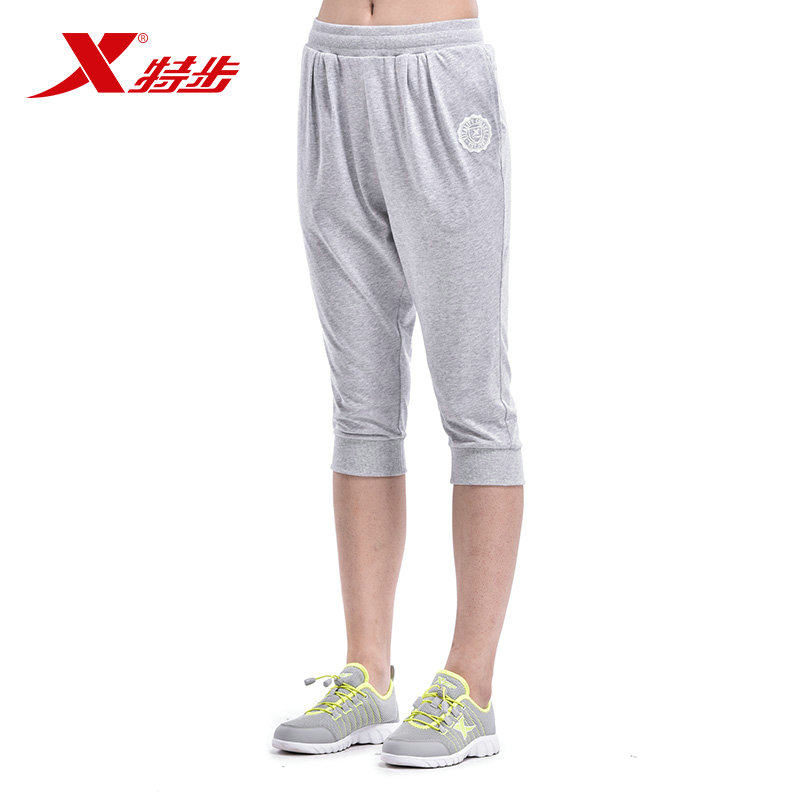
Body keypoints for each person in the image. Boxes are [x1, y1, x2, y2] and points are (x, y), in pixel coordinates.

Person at [272, 0, 523, 767]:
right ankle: (368, 673)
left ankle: (470, 688)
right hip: (332, 68)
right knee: (361, 408)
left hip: (438, 74)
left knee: (474, 405)